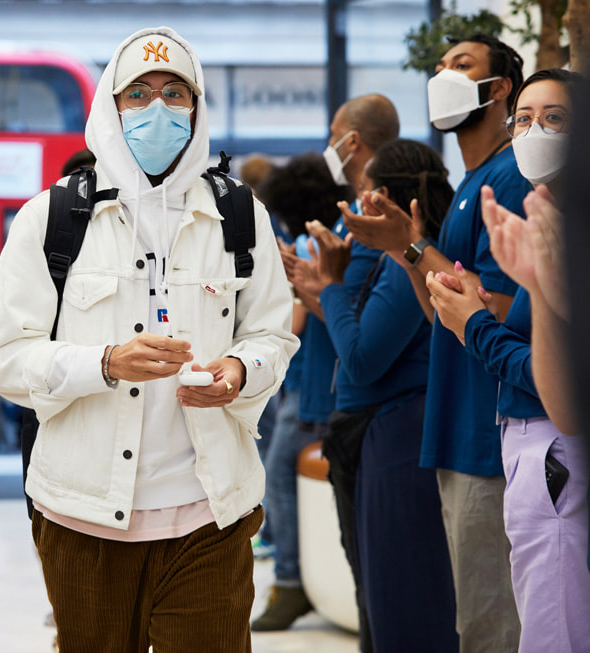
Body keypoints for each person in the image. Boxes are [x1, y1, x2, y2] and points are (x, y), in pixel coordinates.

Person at [0, 26, 297, 651]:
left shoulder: (239, 215)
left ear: (198, 107)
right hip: (84, 514)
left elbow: (271, 334)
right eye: (139, 93)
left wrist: (239, 369)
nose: (158, 109)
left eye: (176, 93)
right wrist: (104, 362)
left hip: (211, 513)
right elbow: (6, 357)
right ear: (110, 105)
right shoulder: (51, 217)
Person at [342, 33, 528, 651]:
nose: (444, 74)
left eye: (462, 65)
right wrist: (403, 246)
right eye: (442, 64)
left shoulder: (511, 176)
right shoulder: (473, 182)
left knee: (491, 624)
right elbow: (440, 311)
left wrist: (414, 247)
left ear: (499, 89)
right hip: (456, 428)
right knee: (470, 619)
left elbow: (495, 308)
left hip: (488, 431)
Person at [428, 69, 589, 652]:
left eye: (555, 118)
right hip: (535, 445)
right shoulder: (547, 216)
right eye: (523, 118)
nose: (534, 130)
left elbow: (557, 378)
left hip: (551, 447)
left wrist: (474, 325)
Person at [302, 139, 458, 650]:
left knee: (401, 597)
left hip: (398, 434)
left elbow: (364, 358)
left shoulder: (404, 260)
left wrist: (330, 285)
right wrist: (326, 285)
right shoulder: (393, 257)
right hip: (385, 430)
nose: (354, 204)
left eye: (364, 191)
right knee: (382, 593)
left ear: (385, 198)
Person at [271, 93, 397, 647]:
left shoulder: (376, 218)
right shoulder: (358, 215)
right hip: (348, 399)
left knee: (374, 563)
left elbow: (357, 334)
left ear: (351, 140)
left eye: (332, 132)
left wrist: (316, 285)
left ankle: (293, 581)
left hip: (355, 400)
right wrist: (318, 282)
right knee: (364, 558)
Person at [250, 153, 348, 632]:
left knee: (277, 479)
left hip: (312, 390)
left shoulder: (311, 244)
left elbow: (296, 320)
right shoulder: (329, 237)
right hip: (315, 383)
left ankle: (289, 582)